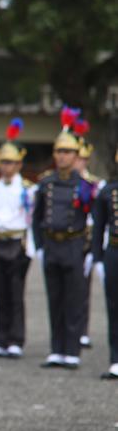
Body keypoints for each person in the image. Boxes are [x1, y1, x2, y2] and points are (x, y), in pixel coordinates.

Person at [33, 107, 97, 370]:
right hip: (52, 244)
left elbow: (96, 220)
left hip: (74, 244)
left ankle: (72, 349)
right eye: (59, 151)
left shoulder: (86, 187)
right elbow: (37, 218)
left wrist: (90, 251)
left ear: (76, 155)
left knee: (74, 298)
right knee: (54, 298)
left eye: (67, 152)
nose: (62, 156)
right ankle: (56, 349)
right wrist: (38, 247)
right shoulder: (45, 184)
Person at [0, 119, 36, 359]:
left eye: (10, 162)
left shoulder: (27, 189)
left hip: (16, 243)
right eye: (3, 162)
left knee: (15, 294)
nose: (6, 166)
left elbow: (32, 221)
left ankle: (16, 339)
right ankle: (1, 339)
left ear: (19, 164)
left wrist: (30, 249)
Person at [72, 119, 104, 349]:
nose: (78, 162)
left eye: (82, 158)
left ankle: (81, 329)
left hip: (86, 239)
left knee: (83, 288)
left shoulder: (94, 185)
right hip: (68, 238)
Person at [91, 147, 118, 379]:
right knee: (114, 307)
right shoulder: (107, 191)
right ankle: (115, 358)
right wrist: (97, 258)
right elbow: (98, 228)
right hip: (115, 251)